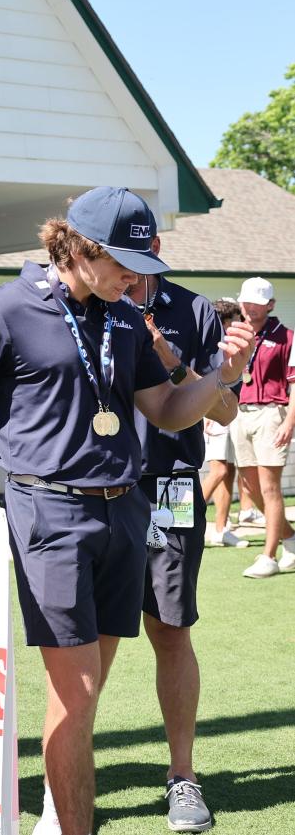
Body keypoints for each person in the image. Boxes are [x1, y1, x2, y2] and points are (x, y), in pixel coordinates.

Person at [0, 187, 254, 835]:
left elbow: (167, 411)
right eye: (124, 261)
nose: (137, 276)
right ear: (80, 249)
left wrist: (219, 375)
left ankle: (56, 805)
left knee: (86, 689)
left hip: (124, 511)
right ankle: (68, 821)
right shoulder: (5, 311)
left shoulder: (123, 318)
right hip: (49, 517)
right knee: (72, 692)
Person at [124, 239, 241, 832]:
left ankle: (183, 776)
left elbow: (226, 414)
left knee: (170, 632)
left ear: (157, 247)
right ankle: (74, 780)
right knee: (87, 640)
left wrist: (172, 361)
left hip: (169, 488)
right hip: (96, 490)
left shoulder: (191, 311)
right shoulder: (85, 302)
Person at [230, 277, 295, 578]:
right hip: (238, 413)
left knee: (269, 488)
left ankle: (268, 556)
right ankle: (291, 538)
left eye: (257, 303)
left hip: (271, 412)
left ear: (270, 305)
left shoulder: (287, 337)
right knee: (249, 487)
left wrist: (290, 422)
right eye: (246, 301)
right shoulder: (235, 333)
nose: (250, 308)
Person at [202, 299, 248, 548]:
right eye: (234, 320)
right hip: (216, 415)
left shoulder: (230, 343)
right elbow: (206, 381)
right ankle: (191, 519)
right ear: (227, 321)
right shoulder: (213, 343)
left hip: (230, 413)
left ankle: (221, 529)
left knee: (228, 473)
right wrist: (208, 415)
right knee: (218, 470)